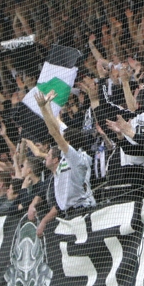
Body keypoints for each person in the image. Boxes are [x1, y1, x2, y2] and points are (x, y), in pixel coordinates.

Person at [32, 90, 96, 237]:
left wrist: (42, 108)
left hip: (82, 211)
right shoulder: (67, 157)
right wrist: (47, 106)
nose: (60, 141)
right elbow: (56, 126)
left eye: (64, 140)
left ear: (69, 143)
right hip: (70, 214)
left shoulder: (76, 157)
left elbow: (54, 133)